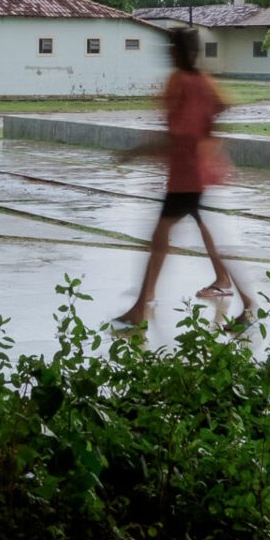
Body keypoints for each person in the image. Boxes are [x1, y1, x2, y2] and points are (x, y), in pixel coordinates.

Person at [109, 28, 253, 331]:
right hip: (194, 172)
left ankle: (141, 307)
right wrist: (209, 141)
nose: (168, 52)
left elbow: (180, 134)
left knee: (160, 239)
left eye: (172, 47)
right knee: (193, 238)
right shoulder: (202, 81)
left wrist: (136, 151)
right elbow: (218, 109)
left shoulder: (182, 82)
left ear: (180, 51)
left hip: (186, 175)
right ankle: (247, 302)